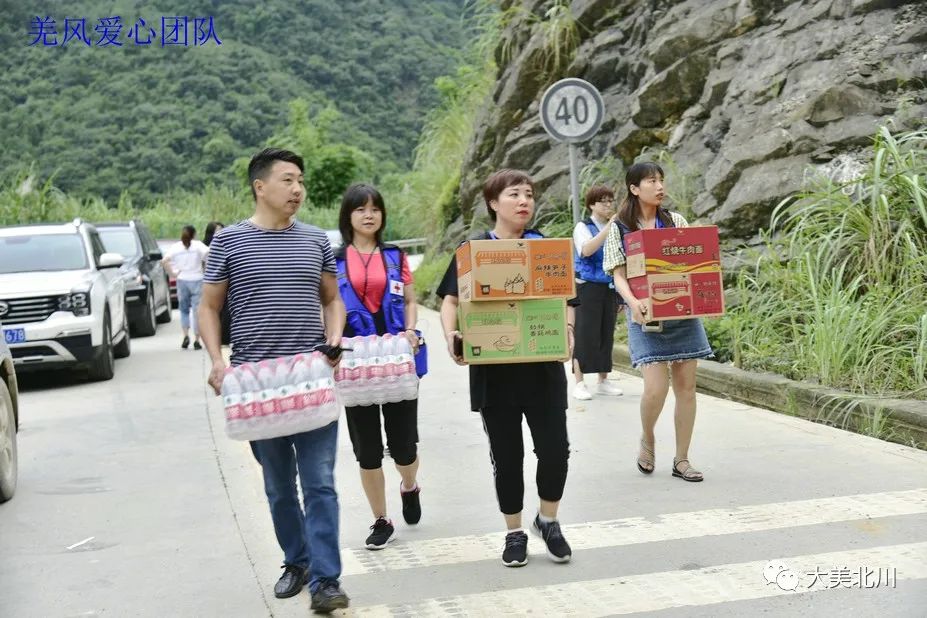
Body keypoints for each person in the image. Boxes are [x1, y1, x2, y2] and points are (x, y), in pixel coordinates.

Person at [198, 148, 351, 612]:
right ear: (259, 187)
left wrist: (335, 338)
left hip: (310, 377)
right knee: (279, 485)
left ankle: (327, 580)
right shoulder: (228, 243)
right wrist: (216, 361)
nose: (298, 189)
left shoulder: (316, 240)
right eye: (288, 180)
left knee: (320, 482)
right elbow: (207, 306)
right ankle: (297, 560)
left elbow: (332, 300)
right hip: (255, 382)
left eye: (301, 180)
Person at [438, 169, 576, 568]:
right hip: (494, 376)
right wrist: (452, 336)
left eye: (529, 194)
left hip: (542, 371)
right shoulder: (474, 250)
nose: (524, 201)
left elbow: (567, 299)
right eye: (514, 194)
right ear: (493, 203)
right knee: (508, 456)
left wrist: (567, 331)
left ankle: (548, 520)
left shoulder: (547, 251)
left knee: (555, 451)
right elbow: (450, 301)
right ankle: (514, 532)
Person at [602, 161, 711, 482]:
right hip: (644, 315)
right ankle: (648, 437)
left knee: (686, 388)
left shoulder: (675, 221)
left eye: (661, 180)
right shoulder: (620, 227)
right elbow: (617, 274)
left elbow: (693, 263)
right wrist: (633, 302)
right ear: (635, 188)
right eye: (652, 181)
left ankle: (682, 459)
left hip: (682, 314)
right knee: (655, 388)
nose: (660, 186)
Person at [334, 183, 423, 551]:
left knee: (403, 446)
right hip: (356, 363)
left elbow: (410, 300)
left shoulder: (394, 255)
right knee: (367, 450)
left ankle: (409, 484)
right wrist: (333, 339)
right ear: (348, 216)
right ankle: (381, 519)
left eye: (374, 208)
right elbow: (331, 306)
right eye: (360, 209)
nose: (368, 215)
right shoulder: (335, 258)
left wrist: (412, 330)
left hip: (396, 359)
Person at [571, 184, 624, 401]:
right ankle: (579, 382)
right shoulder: (582, 227)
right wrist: (608, 227)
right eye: (603, 201)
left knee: (606, 334)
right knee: (585, 334)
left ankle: (603, 380)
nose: (608, 205)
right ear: (592, 204)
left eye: (610, 201)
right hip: (587, 286)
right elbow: (586, 250)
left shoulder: (616, 228)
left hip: (609, 286)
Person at [162, 225, 208, 350]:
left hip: (182, 280)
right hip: (197, 280)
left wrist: (173, 273)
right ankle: (197, 340)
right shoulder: (198, 245)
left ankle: (185, 335)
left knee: (183, 310)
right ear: (194, 234)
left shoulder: (176, 247)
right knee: (197, 312)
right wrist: (206, 270)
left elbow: (164, 261)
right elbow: (211, 254)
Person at [202, 221, 231, 346]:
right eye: (217, 230)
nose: (220, 232)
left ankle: (224, 336)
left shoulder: (227, 244)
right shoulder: (207, 249)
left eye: (221, 229)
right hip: (211, 285)